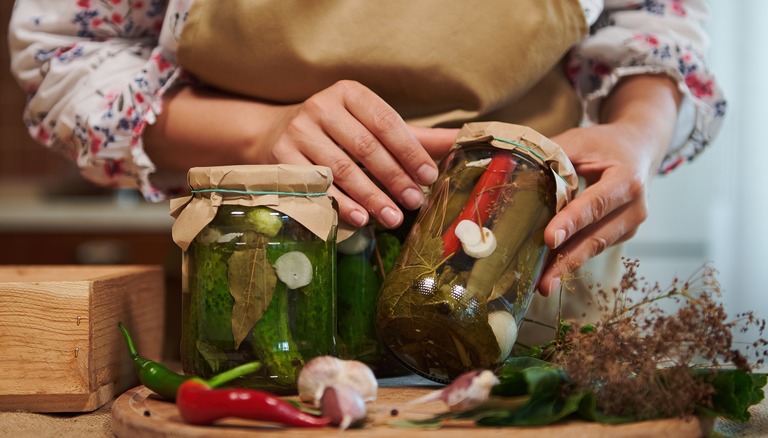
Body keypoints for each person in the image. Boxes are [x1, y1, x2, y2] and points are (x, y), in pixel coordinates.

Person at [8, 1, 724, 321]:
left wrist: (636, 132)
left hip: (526, 291)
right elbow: (64, 57)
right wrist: (262, 134)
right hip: (256, 306)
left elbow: (653, 21)